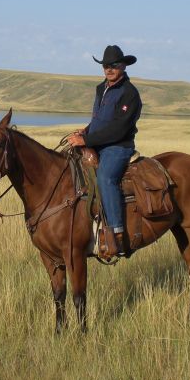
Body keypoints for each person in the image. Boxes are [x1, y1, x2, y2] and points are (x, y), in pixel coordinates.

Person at [67, 45, 142, 258]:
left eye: (114, 65)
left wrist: (86, 139)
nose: (109, 69)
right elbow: (99, 119)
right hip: (98, 141)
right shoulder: (102, 88)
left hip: (118, 146)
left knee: (106, 178)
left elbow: (119, 128)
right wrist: (86, 130)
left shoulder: (130, 93)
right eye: (106, 66)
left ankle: (116, 234)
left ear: (123, 66)